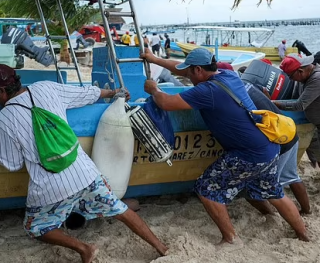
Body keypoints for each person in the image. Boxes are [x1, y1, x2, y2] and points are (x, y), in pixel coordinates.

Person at [141, 47, 308, 249]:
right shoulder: (227, 74)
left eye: (190, 71)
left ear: (198, 70)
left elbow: (166, 103)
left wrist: (154, 89)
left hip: (248, 154)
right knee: (275, 193)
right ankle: (303, 234)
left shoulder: (207, 91)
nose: (188, 75)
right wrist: (154, 59)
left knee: (206, 188)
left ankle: (231, 239)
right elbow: (181, 69)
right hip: (268, 147)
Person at [0, 65, 168, 263]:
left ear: (2, 91)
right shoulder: (45, 87)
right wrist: (113, 92)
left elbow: (13, 164)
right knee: (120, 209)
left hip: (50, 187)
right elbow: (86, 94)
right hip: (86, 173)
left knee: (35, 228)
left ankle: (84, 248)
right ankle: (161, 247)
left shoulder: (4, 118)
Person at [243, 82, 310, 214]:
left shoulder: (230, 92)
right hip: (288, 130)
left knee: (251, 190)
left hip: (276, 140)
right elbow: (264, 89)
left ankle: (272, 215)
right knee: (291, 176)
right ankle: (307, 211)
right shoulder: (248, 83)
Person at [275, 53, 320, 168]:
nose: (290, 79)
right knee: (315, 149)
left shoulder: (317, 79)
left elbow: (299, 105)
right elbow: (293, 97)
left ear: (300, 71)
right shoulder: (302, 78)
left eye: (290, 76)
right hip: (312, 121)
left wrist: (270, 102)